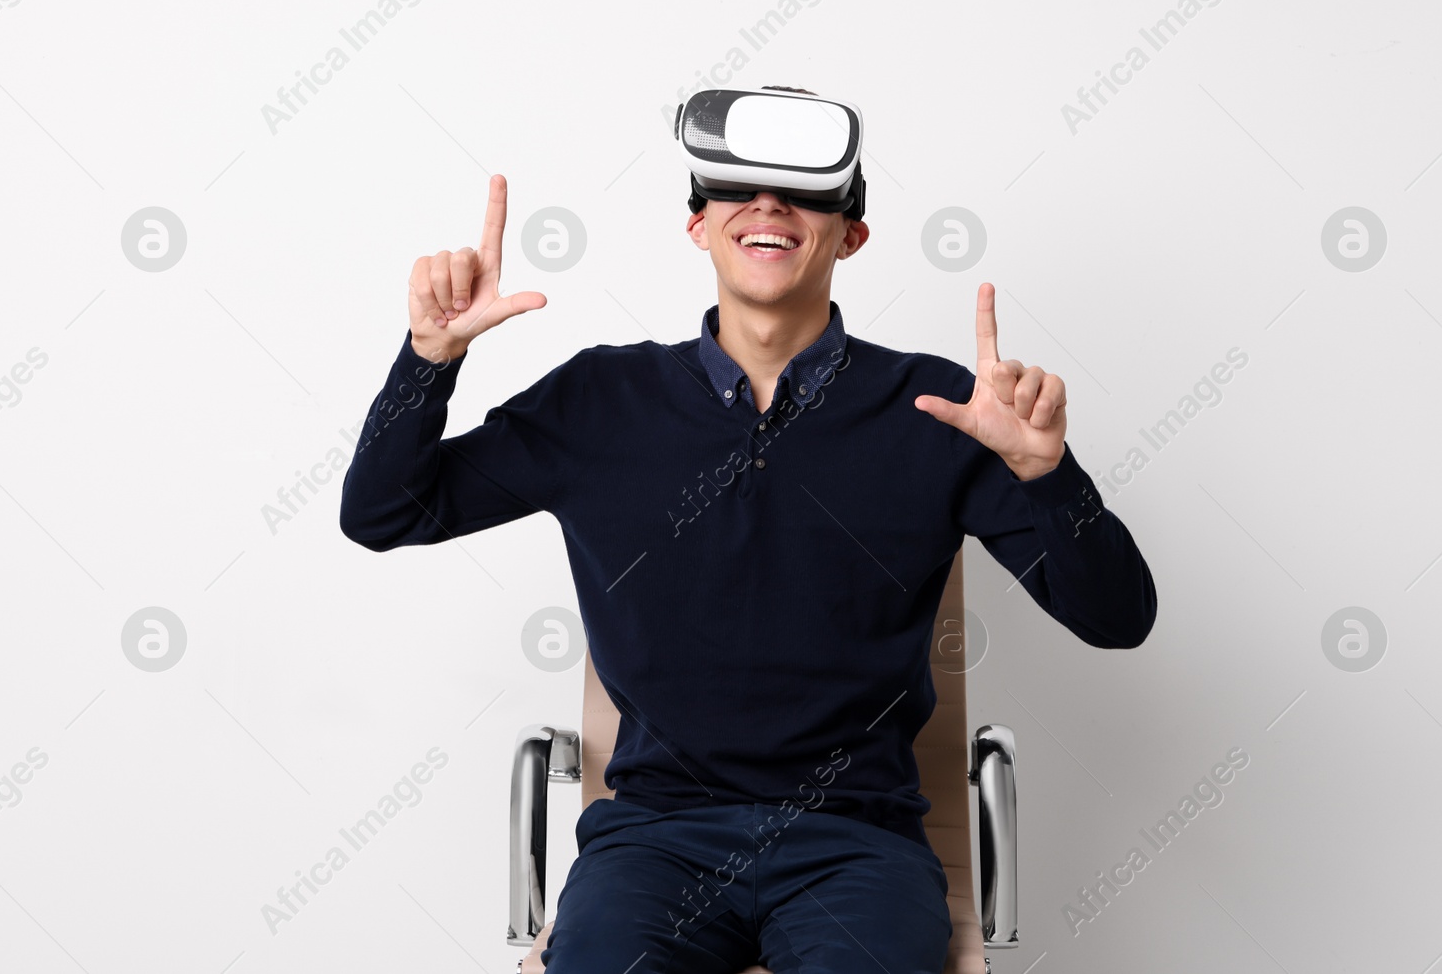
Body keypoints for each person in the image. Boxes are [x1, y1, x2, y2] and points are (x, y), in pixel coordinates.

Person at [339, 86, 1157, 972]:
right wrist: (430, 360)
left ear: (852, 234)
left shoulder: (939, 410)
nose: (768, 205)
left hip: (855, 843)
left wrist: (1047, 475)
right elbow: (383, 513)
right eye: (737, 188)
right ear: (700, 227)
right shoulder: (599, 402)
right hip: (655, 840)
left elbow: (1119, 618)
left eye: (803, 193)